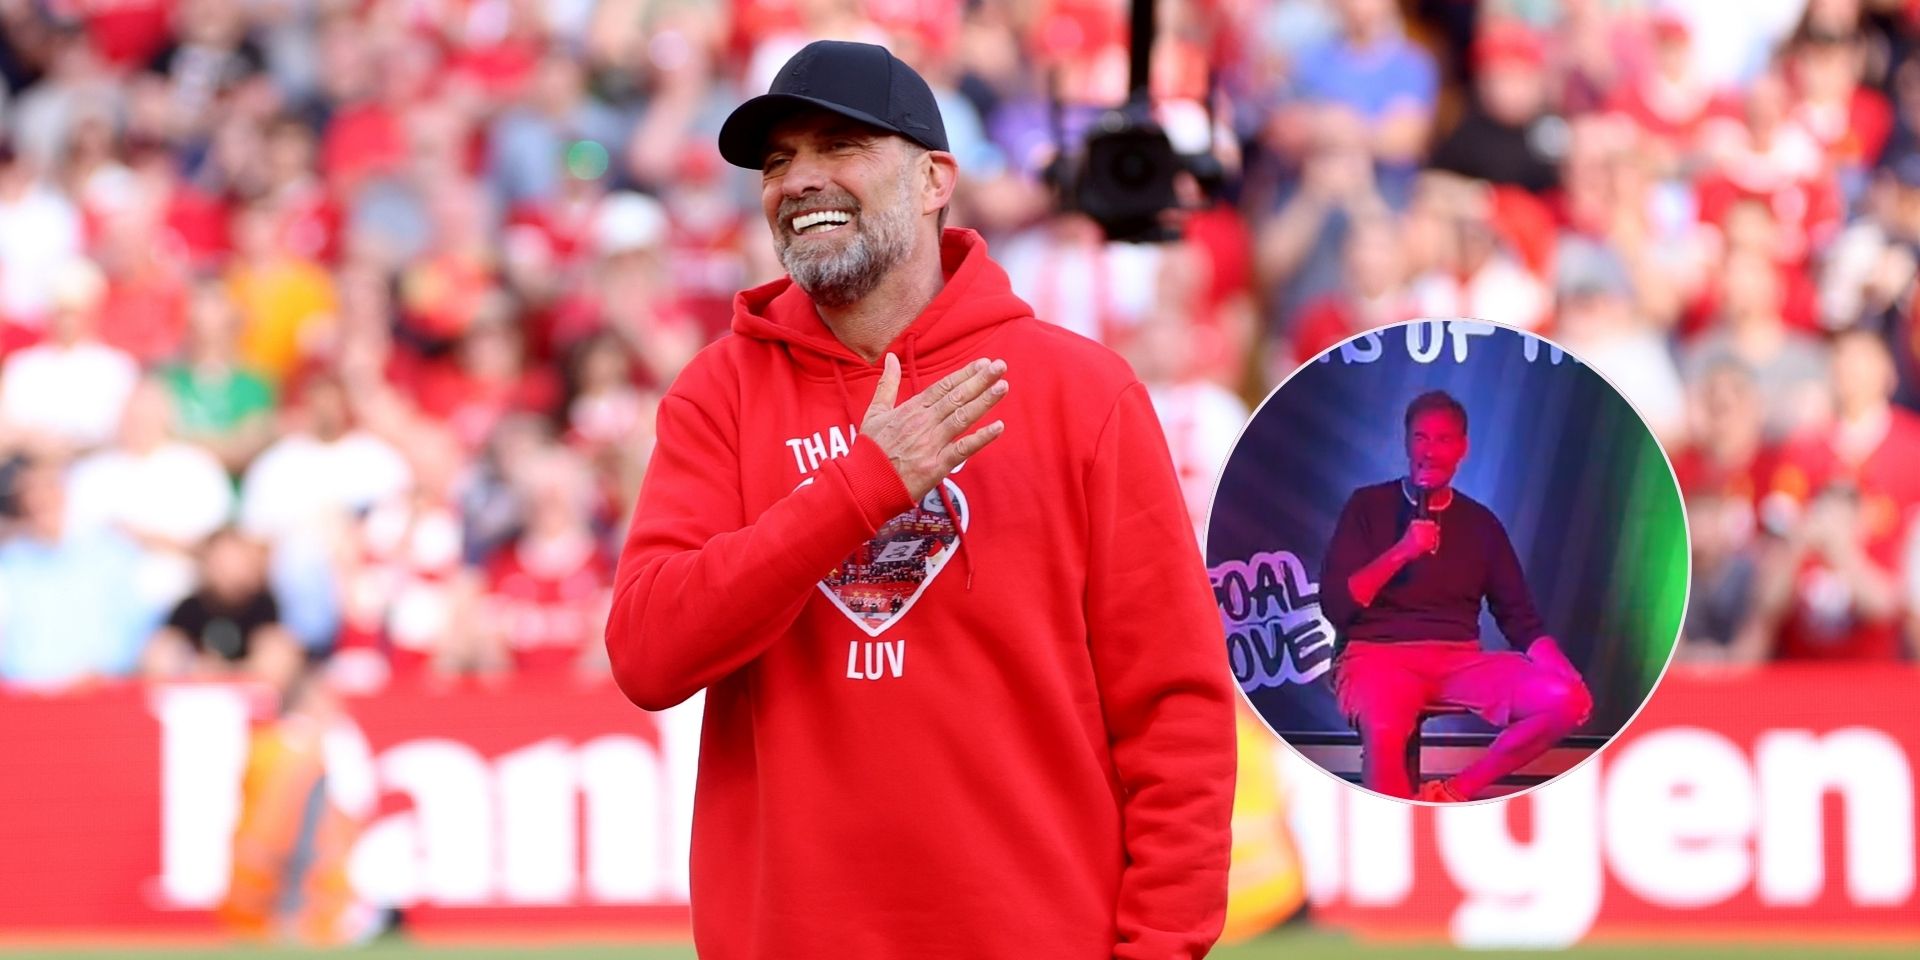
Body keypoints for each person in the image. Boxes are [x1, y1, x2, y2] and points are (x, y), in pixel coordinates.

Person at [604, 40, 1235, 960]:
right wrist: (859, 488)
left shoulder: (1084, 393)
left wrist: (1162, 948)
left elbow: (1174, 709)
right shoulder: (719, 394)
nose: (799, 179)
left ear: (936, 178)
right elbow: (648, 656)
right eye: (777, 161)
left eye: (840, 146)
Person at [1319, 390, 1592, 802]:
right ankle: (1391, 829)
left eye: (1443, 439)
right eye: (1421, 438)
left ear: (1463, 448)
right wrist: (1402, 551)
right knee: (1384, 726)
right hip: (1377, 656)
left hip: (1458, 659)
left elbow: (1519, 618)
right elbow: (1337, 605)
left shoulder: (1481, 524)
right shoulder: (1367, 506)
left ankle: (1452, 793)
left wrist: (1568, 676)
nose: (1430, 451)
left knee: (1565, 700)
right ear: (1406, 443)